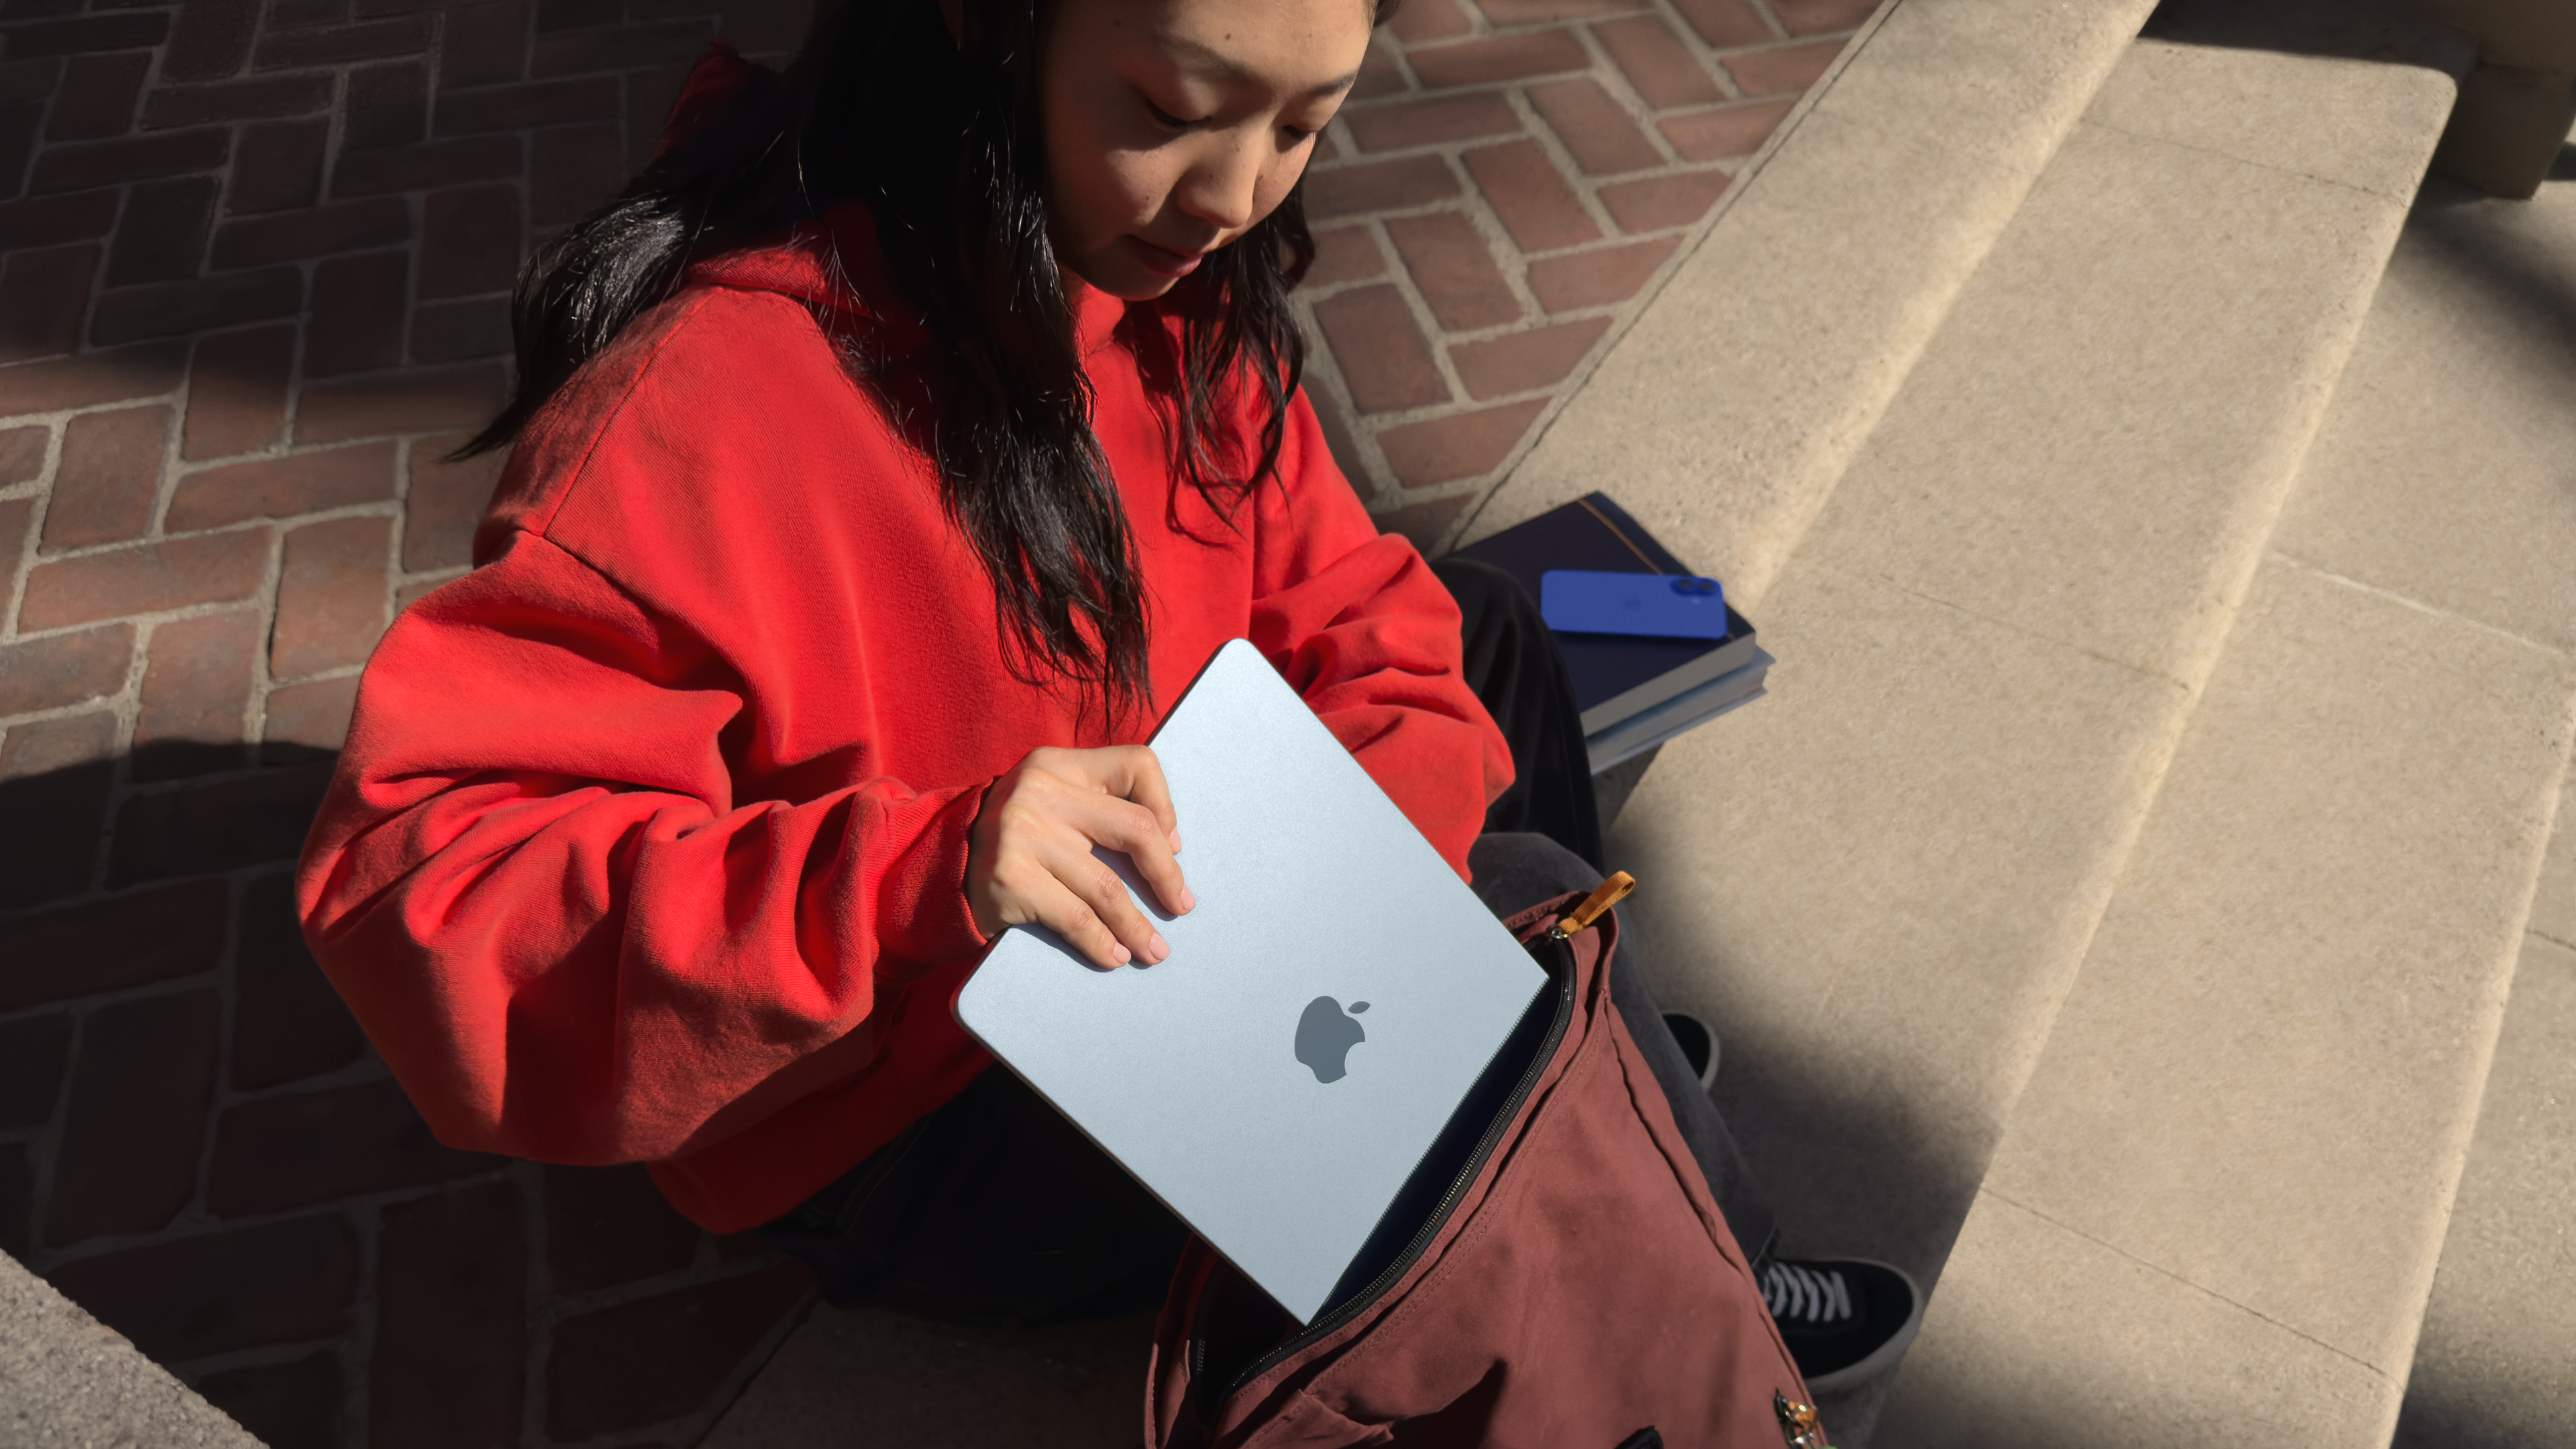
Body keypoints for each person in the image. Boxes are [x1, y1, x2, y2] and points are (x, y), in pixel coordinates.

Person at [294, 0, 1917, 1401]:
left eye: (1304, 122)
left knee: (1495, 645)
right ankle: (1668, 1234)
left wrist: (1371, 911)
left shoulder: (1177, 297)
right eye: (1169, 111)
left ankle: (1555, 1084)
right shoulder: (703, 412)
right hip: (913, 1087)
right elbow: (429, 890)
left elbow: (1367, 608)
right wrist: (923, 871)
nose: (1231, 195)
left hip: (1154, 922)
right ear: (991, 22)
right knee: (1522, 906)